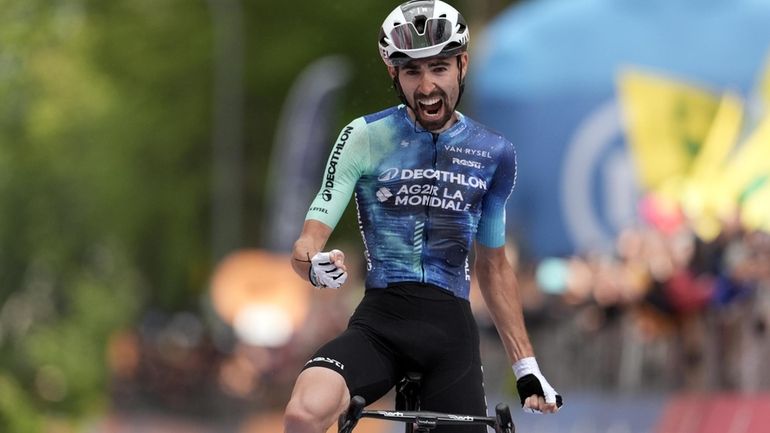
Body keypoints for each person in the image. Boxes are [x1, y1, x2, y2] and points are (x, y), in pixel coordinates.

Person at [284, 1, 562, 432]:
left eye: (439, 68)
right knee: (305, 413)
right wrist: (313, 266)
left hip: (450, 334)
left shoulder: (494, 153)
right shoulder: (365, 137)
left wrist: (525, 364)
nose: (427, 85)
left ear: (462, 64)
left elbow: (494, 266)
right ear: (394, 74)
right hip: (380, 323)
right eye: (412, 71)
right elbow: (307, 243)